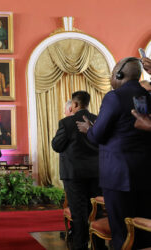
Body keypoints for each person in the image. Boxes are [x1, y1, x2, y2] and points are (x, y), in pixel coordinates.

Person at [77, 57, 151, 249]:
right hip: (145, 174)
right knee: (142, 232)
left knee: (121, 232)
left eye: (113, 72)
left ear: (119, 74)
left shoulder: (114, 96)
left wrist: (89, 129)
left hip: (118, 176)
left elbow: (98, 135)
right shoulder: (146, 95)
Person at [52, 91, 102, 250]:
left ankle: (80, 246)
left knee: (78, 213)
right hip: (96, 174)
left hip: (74, 175)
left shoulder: (67, 122)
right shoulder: (98, 120)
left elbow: (56, 145)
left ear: (74, 104)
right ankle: (98, 245)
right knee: (96, 211)